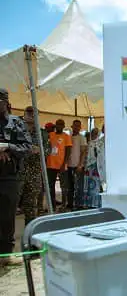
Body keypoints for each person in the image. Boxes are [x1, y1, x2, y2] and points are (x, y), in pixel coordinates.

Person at [0, 89, 32, 267]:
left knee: (7, 216)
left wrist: (7, 147)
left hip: (9, 177)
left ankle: (6, 254)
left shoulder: (16, 123)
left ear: (5, 102)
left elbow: (27, 147)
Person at [20, 106, 50, 225]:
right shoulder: (17, 130)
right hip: (17, 172)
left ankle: (28, 232)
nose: (31, 116)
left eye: (34, 114)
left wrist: (40, 150)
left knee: (31, 207)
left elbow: (48, 150)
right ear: (24, 115)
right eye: (29, 114)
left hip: (34, 173)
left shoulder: (42, 134)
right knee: (10, 205)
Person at [46, 119, 72, 210]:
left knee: (63, 186)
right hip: (50, 165)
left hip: (61, 165)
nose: (59, 126)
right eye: (58, 124)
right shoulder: (50, 135)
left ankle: (64, 205)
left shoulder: (66, 136)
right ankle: (52, 205)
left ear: (64, 126)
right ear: (55, 125)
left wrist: (64, 164)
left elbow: (68, 151)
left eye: (61, 124)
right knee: (50, 186)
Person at [67, 120, 87, 210]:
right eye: (75, 126)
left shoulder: (82, 137)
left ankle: (79, 204)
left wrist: (80, 165)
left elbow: (83, 152)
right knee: (70, 186)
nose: (77, 127)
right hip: (68, 165)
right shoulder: (68, 137)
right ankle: (70, 204)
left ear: (80, 127)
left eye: (78, 126)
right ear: (72, 126)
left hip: (77, 166)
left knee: (79, 186)